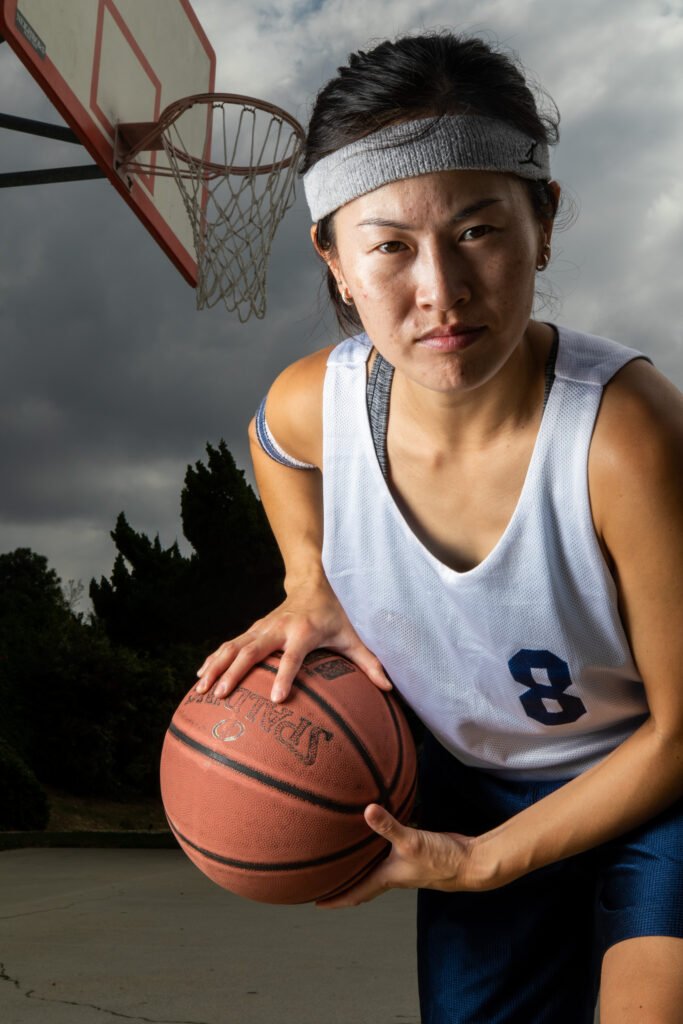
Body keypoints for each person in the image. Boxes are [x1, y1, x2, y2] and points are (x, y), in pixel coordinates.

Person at [195, 32, 683, 1024]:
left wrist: (485, 860)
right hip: (469, 786)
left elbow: (680, 731)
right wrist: (305, 582)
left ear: (541, 223)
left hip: (651, 789)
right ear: (333, 261)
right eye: (387, 246)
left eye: (475, 230)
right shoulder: (315, 404)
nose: (439, 290)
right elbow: (272, 446)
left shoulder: (624, 437)